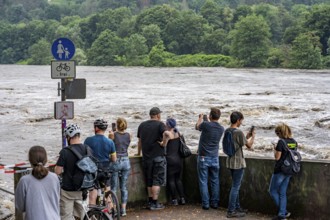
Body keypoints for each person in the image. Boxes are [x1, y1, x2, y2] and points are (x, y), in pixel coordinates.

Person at [15, 146, 60, 220]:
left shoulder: (24, 181)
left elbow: (20, 207)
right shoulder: (55, 178)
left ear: (30, 161)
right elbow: (57, 200)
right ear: (46, 160)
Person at [55, 124, 89, 220]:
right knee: (81, 216)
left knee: (66, 217)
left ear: (69, 137)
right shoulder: (87, 149)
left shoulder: (65, 151)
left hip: (67, 191)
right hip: (83, 190)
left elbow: (58, 171)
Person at [225, 111, 255, 218]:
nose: (241, 122)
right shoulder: (238, 132)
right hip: (238, 163)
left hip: (230, 161)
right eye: (241, 120)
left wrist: (247, 136)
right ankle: (231, 211)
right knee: (235, 187)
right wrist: (253, 136)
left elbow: (239, 142)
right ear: (238, 120)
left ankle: (237, 207)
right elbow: (249, 146)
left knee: (235, 185)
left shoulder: (228, 130)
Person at [137, 107, 166, 210]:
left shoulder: (142, 125)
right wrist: (164, 143)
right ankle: (155, 203)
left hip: (146, 157)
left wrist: (138, 153)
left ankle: (150, 202)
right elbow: (166, 134)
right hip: (158, 157)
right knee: (156, 181)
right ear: (158, 115)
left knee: (149, 180)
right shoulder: (160, 124)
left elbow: (139, 141)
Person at [195, 107, 224, 210]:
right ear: (219, 117)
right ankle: (215, 203)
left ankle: (206, 204)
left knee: (203, 181)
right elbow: (209, 128)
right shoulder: (221, 128)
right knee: (215, 181)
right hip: (215, 158)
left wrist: (200, 118)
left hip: (203, 157)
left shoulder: (206, 125)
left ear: (210, 116)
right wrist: (206, 120)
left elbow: (198, 127)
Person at [84, 118, 117, 205]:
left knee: (92, 196)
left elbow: (85, 157)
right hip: (105, 170)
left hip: (93, 171)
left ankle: (93, 216)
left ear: (96, 128)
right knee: (107, 193)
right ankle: (109, 214)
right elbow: (114, 159)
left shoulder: (88, 140)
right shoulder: (110, 142)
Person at [269, 123, 297, 220]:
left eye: (277, 133)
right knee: (282, 193)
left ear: (280, 132)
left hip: (280, 170)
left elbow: (277, 157)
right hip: (290, 170)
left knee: (272, 191)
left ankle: (283, 212)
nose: (277, 135)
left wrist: (275, 148)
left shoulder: (281, 142)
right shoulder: (294, 142)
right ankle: (282, 215)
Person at [160, 117, 186, 206]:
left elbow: (164, 145)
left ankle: (174, 200)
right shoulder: (178, 133)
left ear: (167, 125)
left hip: (170, 160)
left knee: (171, 180)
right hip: (179, 159)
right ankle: (182, 199)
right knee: (178, 180)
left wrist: (159, 143)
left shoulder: (166, 133)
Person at [108, 117, 131, 217]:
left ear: (116, 125)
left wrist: (111, 135)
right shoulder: (129, 135)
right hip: (126, 160)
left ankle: (114, 210)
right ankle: (124, 210)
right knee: (123, 187)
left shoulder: (112, 134)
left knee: (113, 187)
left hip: (116, 160)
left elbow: (110, 146)